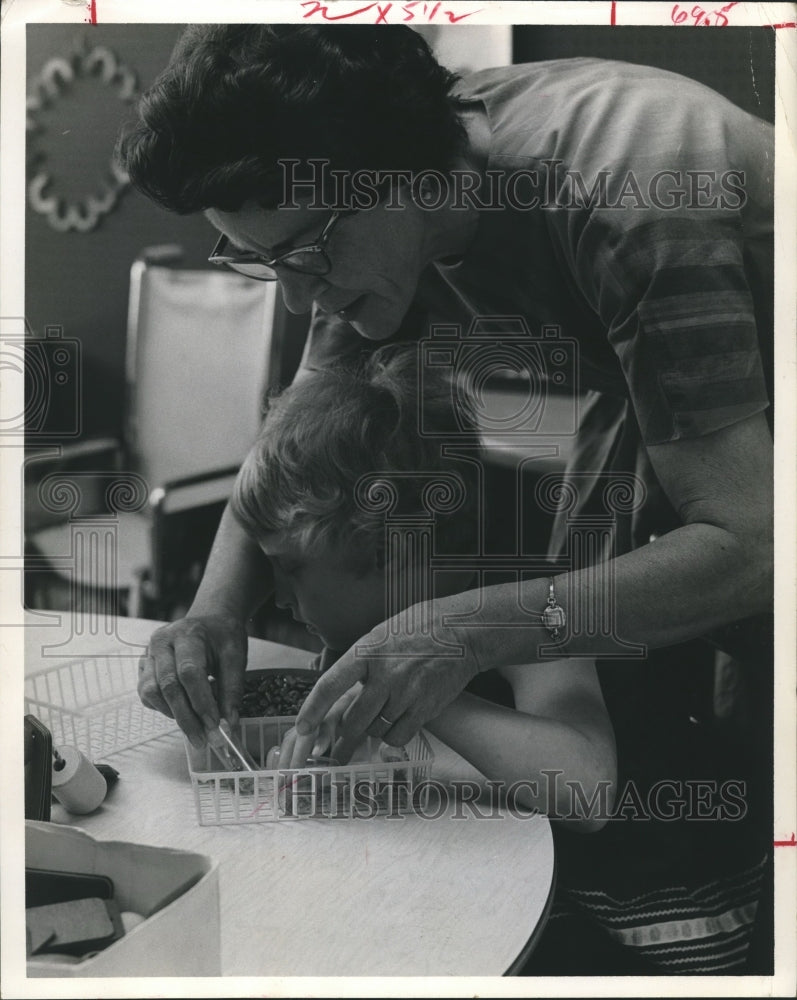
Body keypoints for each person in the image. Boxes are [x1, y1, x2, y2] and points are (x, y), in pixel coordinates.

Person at [123, 22, 772, 778]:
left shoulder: (633, 196)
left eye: (305, 253)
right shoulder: (379, 183)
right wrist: (214, 612)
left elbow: (755, 546)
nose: (299, 301)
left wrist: (463, 632)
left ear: (407, 180)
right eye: (262, 260)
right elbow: (295, 446)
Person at [209, 344, 616, 831]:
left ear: (389, 551)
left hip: (636, 883)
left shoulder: (533, 601)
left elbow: (588, 791)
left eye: (291, 568)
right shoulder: (363, 620)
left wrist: (415, 688)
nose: (277, 597)